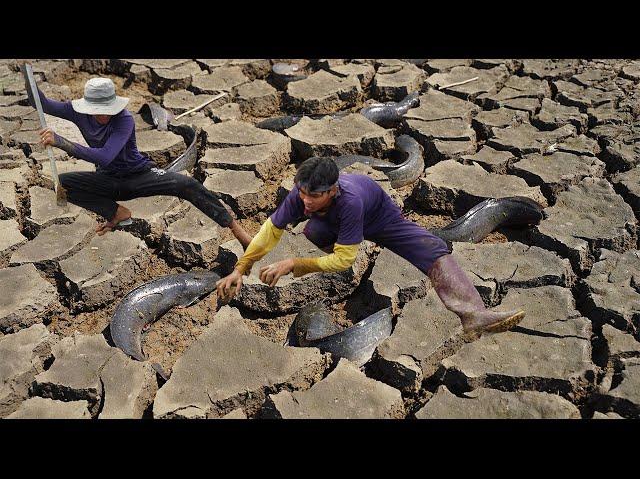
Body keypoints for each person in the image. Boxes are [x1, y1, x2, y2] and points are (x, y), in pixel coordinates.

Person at [216, 156, 526, 337]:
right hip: (334, 224)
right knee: (314, 228)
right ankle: (323, 237)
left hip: (380, 218)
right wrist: (240, 269)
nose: (306, 200)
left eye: (315, 195)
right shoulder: (303, 198)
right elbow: (269, 232)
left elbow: (343, 260)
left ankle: (474, 314)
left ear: (333, 191)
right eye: (303, 193)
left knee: (431, 248)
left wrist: (293, 264)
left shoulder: (349, 202)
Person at [24, 73, 252, 246]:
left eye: (107, 109)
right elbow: (40, 103)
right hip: (108, 181)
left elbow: (104, 156)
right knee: (62, 183)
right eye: (97, 110)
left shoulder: (124, 119)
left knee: (187, 184)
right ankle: (116, 213)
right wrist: (28, 75)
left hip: (139, 177)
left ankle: (234, 227)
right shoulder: (76, 112)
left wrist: (62, 142)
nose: (103, 115)